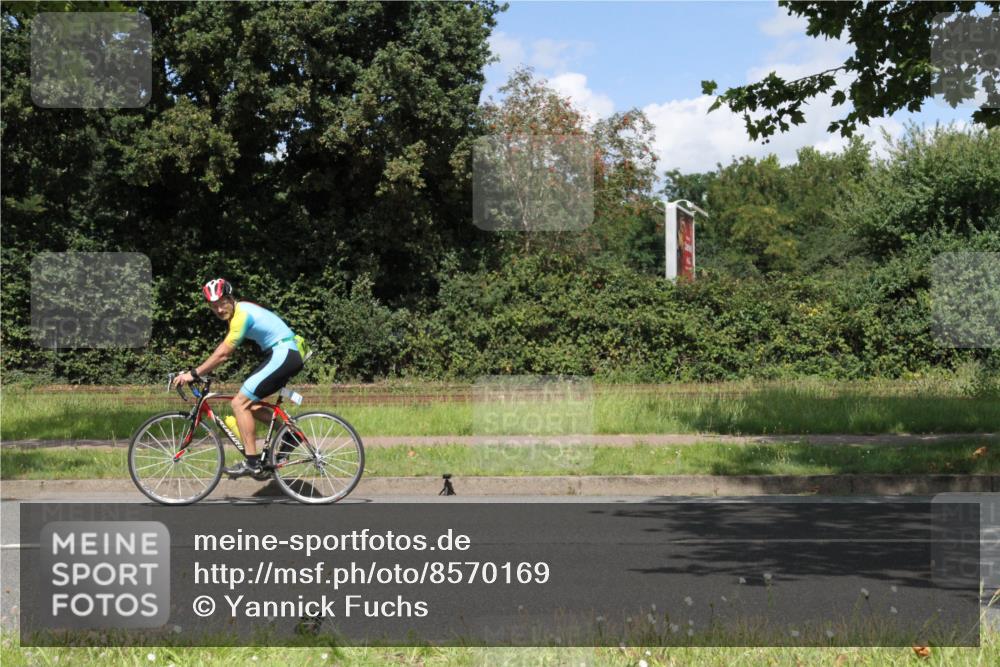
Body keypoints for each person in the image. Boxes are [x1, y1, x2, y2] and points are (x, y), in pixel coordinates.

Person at [172, 278, 304, 477]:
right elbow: (223, 352)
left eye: (221, 303)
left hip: (283, 353)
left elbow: (224, 353)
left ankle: (252, 462)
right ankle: (291, 436)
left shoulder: (241, 315)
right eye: (213, 306)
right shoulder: (238, 314)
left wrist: (194, 373)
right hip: (283, 353)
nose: (218, 309)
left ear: (230, 298)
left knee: (239, 403)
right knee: (250, 405)